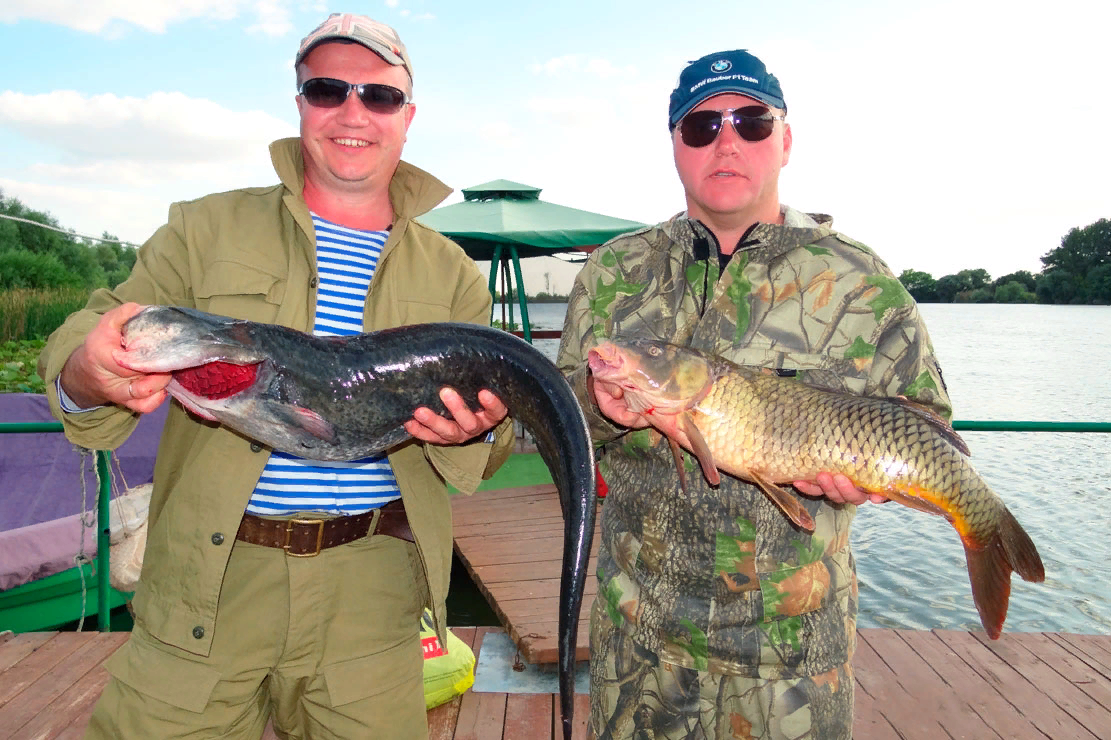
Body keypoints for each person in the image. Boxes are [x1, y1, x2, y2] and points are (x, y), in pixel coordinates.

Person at [38, 13, 512, 740]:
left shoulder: (450, 274)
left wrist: (474, 432)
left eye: (378, 96)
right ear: (300, 106)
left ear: (407, 118)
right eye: (327, 89)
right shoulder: (204, 229)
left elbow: (483, 452)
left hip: (372, 594)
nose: (352, 112)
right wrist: (88, 367)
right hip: (208, 585)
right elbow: (95, 334)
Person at [556, 50, 953, 739]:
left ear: (785, 140)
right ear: (675, 147)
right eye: (701, 126)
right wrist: (598, 406)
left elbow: (923, 423)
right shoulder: (614, 271)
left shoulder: (859, 280)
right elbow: (556, 413)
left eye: (750, 120)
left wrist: (868, 479)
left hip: (792, 665)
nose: (726, 140)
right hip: (637, 651)